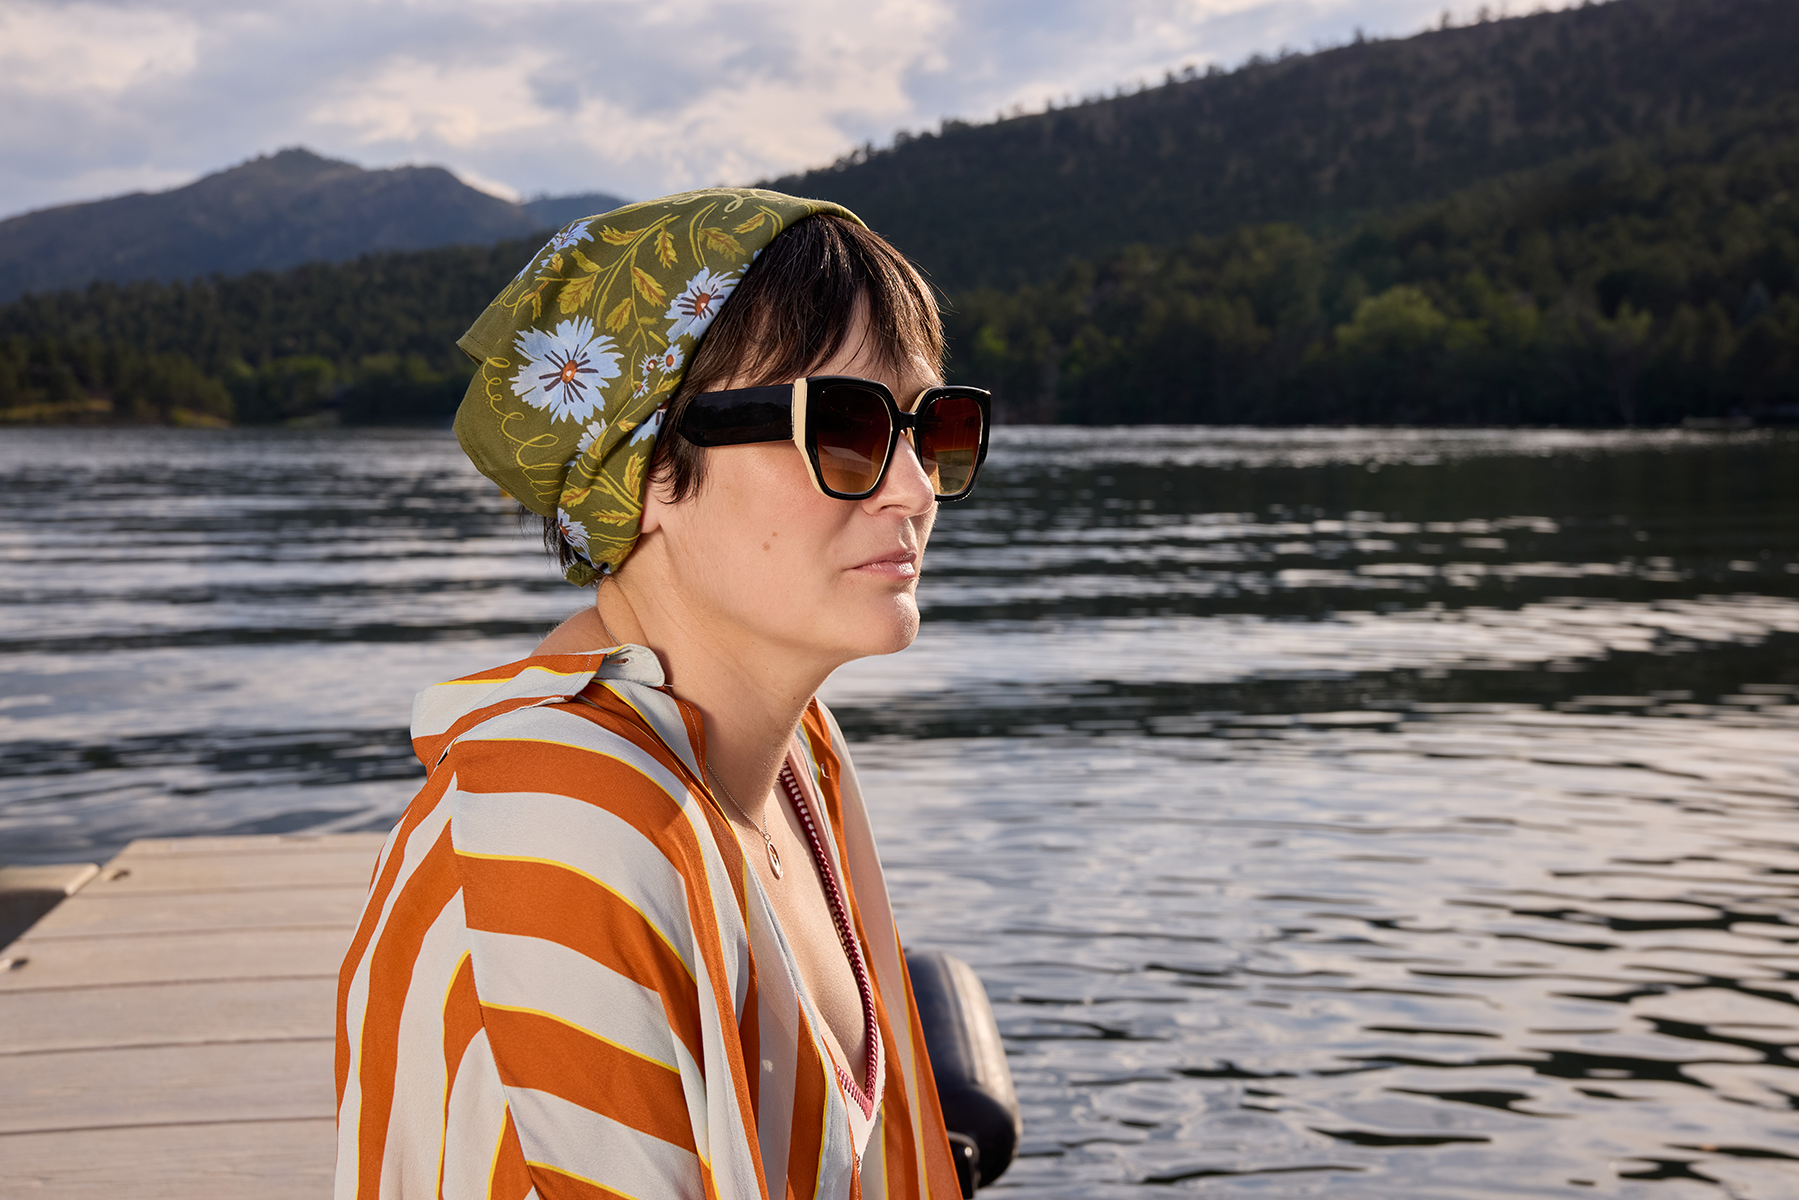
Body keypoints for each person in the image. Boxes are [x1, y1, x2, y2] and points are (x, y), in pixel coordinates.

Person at [335, 189, 991, 1199]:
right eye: (849, 426)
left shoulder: (797, 755)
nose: (912, 489)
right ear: (643, 470)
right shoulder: (556, 839)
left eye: (930, 426)